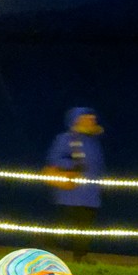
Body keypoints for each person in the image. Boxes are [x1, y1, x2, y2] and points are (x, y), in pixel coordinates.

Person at [44, 107, 105, 260]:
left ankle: (80, 256)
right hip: (70, 193)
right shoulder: (66, 139)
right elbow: (54, 159)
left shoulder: (93, 141)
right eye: (88, 118)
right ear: (77, 120)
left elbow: (96, 166)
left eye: (93, 118)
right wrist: (72, 165)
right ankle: (48, 253)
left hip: (90, 194)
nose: (92, 121)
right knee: (63, 225)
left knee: (84, 227)